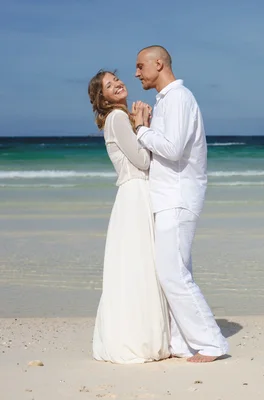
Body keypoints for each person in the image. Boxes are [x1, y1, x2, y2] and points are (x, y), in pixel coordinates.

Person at [131, 45, 229, 362]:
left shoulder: (177, 99)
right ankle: (182, 343)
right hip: (169, 196)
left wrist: (140, 129)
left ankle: (212, 344)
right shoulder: (167, 101)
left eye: (140, 66)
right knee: (175, 271)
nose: (136, 73)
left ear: (158, 64)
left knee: (174, 275)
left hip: (178, 196)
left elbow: (172, 149)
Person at [87, 70, 170, 364]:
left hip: (132, 195)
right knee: (142, 263)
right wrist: (142, 125)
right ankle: (142, 338)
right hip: (136, 193)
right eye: (109, 85)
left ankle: (143, 333)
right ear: (103, 98)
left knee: (136, 265)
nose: (117, 84)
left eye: (116, 80)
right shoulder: (118, 119)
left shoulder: (116, 119)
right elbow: (143, 160)